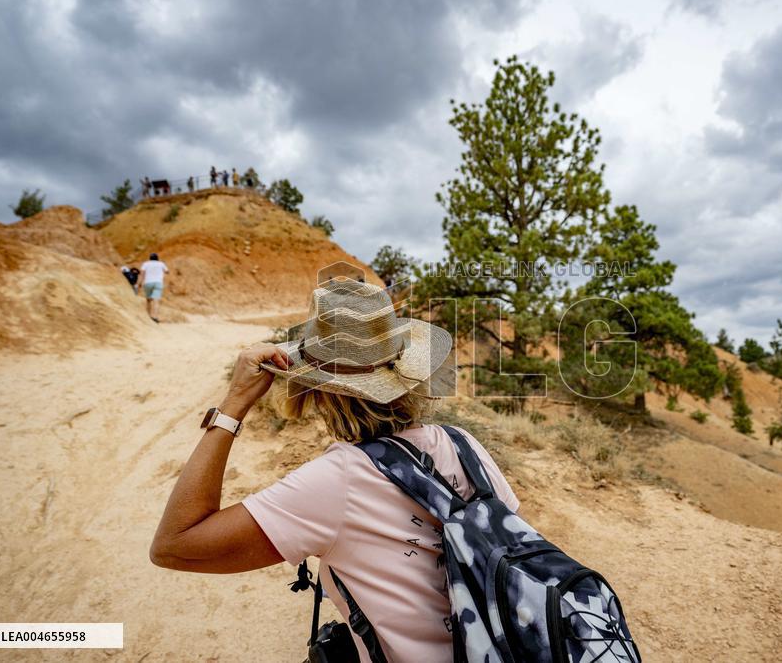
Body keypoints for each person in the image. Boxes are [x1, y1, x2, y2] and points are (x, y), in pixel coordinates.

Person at [150, 279, 514, 662]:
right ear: (405, 372)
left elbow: (174, 545)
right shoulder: (462, 443)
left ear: (318, 388)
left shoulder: (336, 481)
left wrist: (234, 405)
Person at [137, 253, 169, 323]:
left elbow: (142, 273)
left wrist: (139, 283)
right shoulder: (161, 264)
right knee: (156, 301)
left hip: (148, 283)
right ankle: (155, 317)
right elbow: (167, 271)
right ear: (157, 258)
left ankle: (148, 316)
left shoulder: (146, 263)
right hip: (158, 283)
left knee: (148, 300)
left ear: (150, 258)